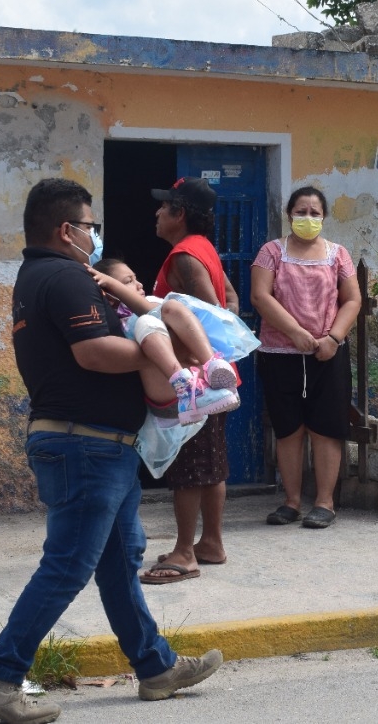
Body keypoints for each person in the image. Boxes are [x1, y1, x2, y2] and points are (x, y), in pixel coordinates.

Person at [0, 177, 220, 724]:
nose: (95, 235)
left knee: (118, 562)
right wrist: (164, 351)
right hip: (85, 445)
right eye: (90, 226)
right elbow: (95, 354)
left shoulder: (42, 275)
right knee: (68, 565)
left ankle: (155, 667)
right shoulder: (62, 276)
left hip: (103, 446)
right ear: (66, 230)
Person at [144, 177, 237, 583]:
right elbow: (231, 302)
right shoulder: (204, 251)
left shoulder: (183, 256)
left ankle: (185, 552)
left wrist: (187, 354)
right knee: (211, 461)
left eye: (164, 207)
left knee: (190, 466)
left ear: (179, 214)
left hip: (197, 384)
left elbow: (214, 312)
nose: (157, 213)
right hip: (215, 378)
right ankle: (211, 543)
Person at [251, 187, 360, 529]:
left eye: (315, 213)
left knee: (326, 427)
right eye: (301, 211)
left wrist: (333, 338)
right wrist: (295, 332)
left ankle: (325, 503)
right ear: (289, 214)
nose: (308, 218)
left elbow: (352, 300)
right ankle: (291, 502)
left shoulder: (338, 254)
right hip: (280, 353)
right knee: (288, 429)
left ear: (324, 217)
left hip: (327, 355)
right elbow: (259, 295)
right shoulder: (272, 252)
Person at [90, 257, 239, 424]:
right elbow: (148, 315)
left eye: (135, 278)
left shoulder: (154, 302)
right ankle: (185, 386)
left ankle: (212, 365)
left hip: (204, 391)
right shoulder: (112, 322)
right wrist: (112, 285)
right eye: (128, 281)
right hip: (170, 397)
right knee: (146, 321)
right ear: (109, 293)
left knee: (171, 307)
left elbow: (154, 311)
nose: (139, 284)